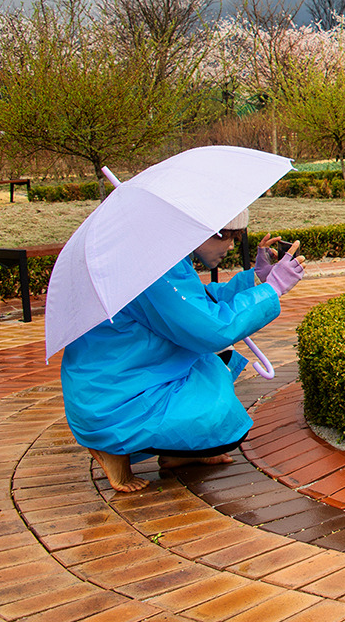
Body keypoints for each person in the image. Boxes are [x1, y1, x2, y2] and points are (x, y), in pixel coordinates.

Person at [59, 211, 305, 492]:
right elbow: (211, 327)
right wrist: (273, 288)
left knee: (216, 365)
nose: (231, 246)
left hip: (124, 377)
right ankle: (110, 446)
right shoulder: (155, 266)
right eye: (227, 237)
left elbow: (198, 300)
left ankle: (181, 451)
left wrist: (256, 278)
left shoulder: (157, 255)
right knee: (214, 398)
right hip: (112, 398)